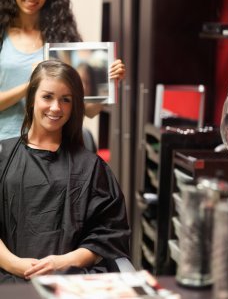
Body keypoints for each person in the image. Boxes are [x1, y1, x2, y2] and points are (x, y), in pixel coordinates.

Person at [0, 59, 130, 283]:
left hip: (69, 280)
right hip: (8, 277)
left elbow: (108, 235)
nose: (55, 107)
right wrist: (16, 265)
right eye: (47, 97)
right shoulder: (3, 156)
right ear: (32, 99)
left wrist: (60, 263)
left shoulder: (91, 167)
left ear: (74, 106)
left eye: (65, 100)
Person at [0, 0, 125, 141]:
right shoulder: (2, 34)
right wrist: (31, 86)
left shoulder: (63, 41)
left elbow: (90, 111)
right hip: (4, 148)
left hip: (51, 150)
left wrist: (108, 82)